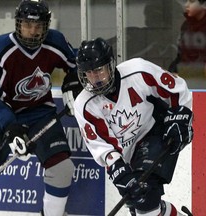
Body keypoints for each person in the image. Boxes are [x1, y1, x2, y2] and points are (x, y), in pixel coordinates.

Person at [0, 0, 78, 215]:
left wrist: (72, 85)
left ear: (46, 25)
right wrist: (10, 128)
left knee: (62, 169)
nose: (32, 32)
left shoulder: (55, 41)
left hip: (40, 115)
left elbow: (76, 65)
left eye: (38, 26)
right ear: (18, 24)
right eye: (27, 25)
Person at [72, 38, 194, 216]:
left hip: (156, 132)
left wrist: (181, 119)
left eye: (99, 70)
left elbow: (177, 89)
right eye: (89, 73)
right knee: (139, 206)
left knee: (146, 201)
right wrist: (122, 176)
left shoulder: (138, 71)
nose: (95, 78)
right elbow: (104, 149)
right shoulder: (84, 104)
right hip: (130, 156)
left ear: (111, 65)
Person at [168, 0, 206, 89]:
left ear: (205, 4)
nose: (186, 5)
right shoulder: (186, 25)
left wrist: (182, 74)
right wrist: (172, 71)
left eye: (192, 1)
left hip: (203, 80)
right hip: (186, 74)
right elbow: (181, 55)